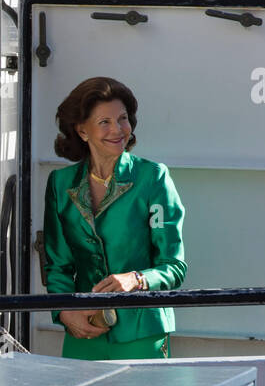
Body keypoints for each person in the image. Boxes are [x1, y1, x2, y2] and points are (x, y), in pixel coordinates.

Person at [43, 77, 186, 360]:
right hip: (84, 329)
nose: (118, 129)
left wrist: (136, 279)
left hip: (142, 331)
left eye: (123, 119)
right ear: (82, 131)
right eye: (104, 122)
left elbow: (174, 267)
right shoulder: (60, 184)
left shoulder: (153, 177)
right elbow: (57, 266)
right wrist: (63, 312)